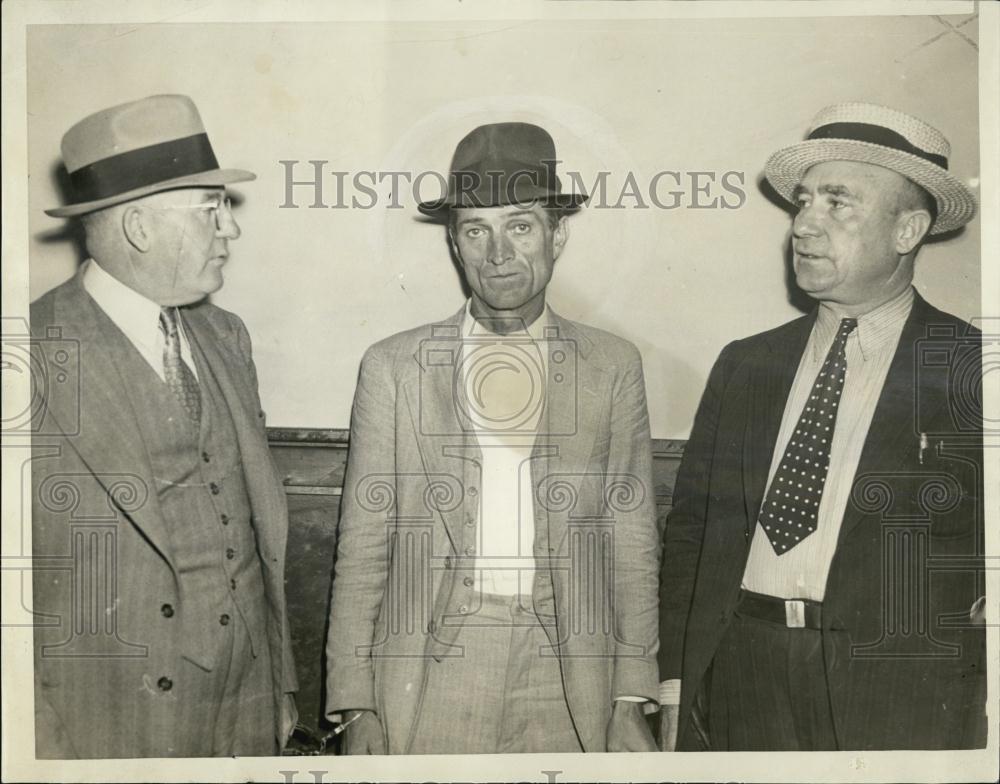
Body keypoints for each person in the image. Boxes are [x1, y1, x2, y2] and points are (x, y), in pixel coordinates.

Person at [657, 102, 986, 751]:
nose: (803, 226)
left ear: (907, 230)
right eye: (803, 203)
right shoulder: (747, 363)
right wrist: (674, 686)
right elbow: (692, 539)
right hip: (741, 676)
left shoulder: (973, 370)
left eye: (838, 204)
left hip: (900, 695)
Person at [325, 122, 661, 754]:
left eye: (521, 226)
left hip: (571, 670)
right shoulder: (393, 367)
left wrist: (629, 695)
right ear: (455, 245)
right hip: (432, 664)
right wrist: (354, 703)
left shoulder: (613, 366)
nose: (498, 252)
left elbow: (632, 541)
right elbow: (363, 545)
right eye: (476, 229)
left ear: (558, 234)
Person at [31, 94, 298, 758]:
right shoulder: (27, 355)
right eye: (212, 211)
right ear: (141, 227)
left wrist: (281, 688)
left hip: (247, 709)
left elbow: (256, 541)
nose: (229, 231)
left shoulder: (225, 336)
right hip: (111, 729)